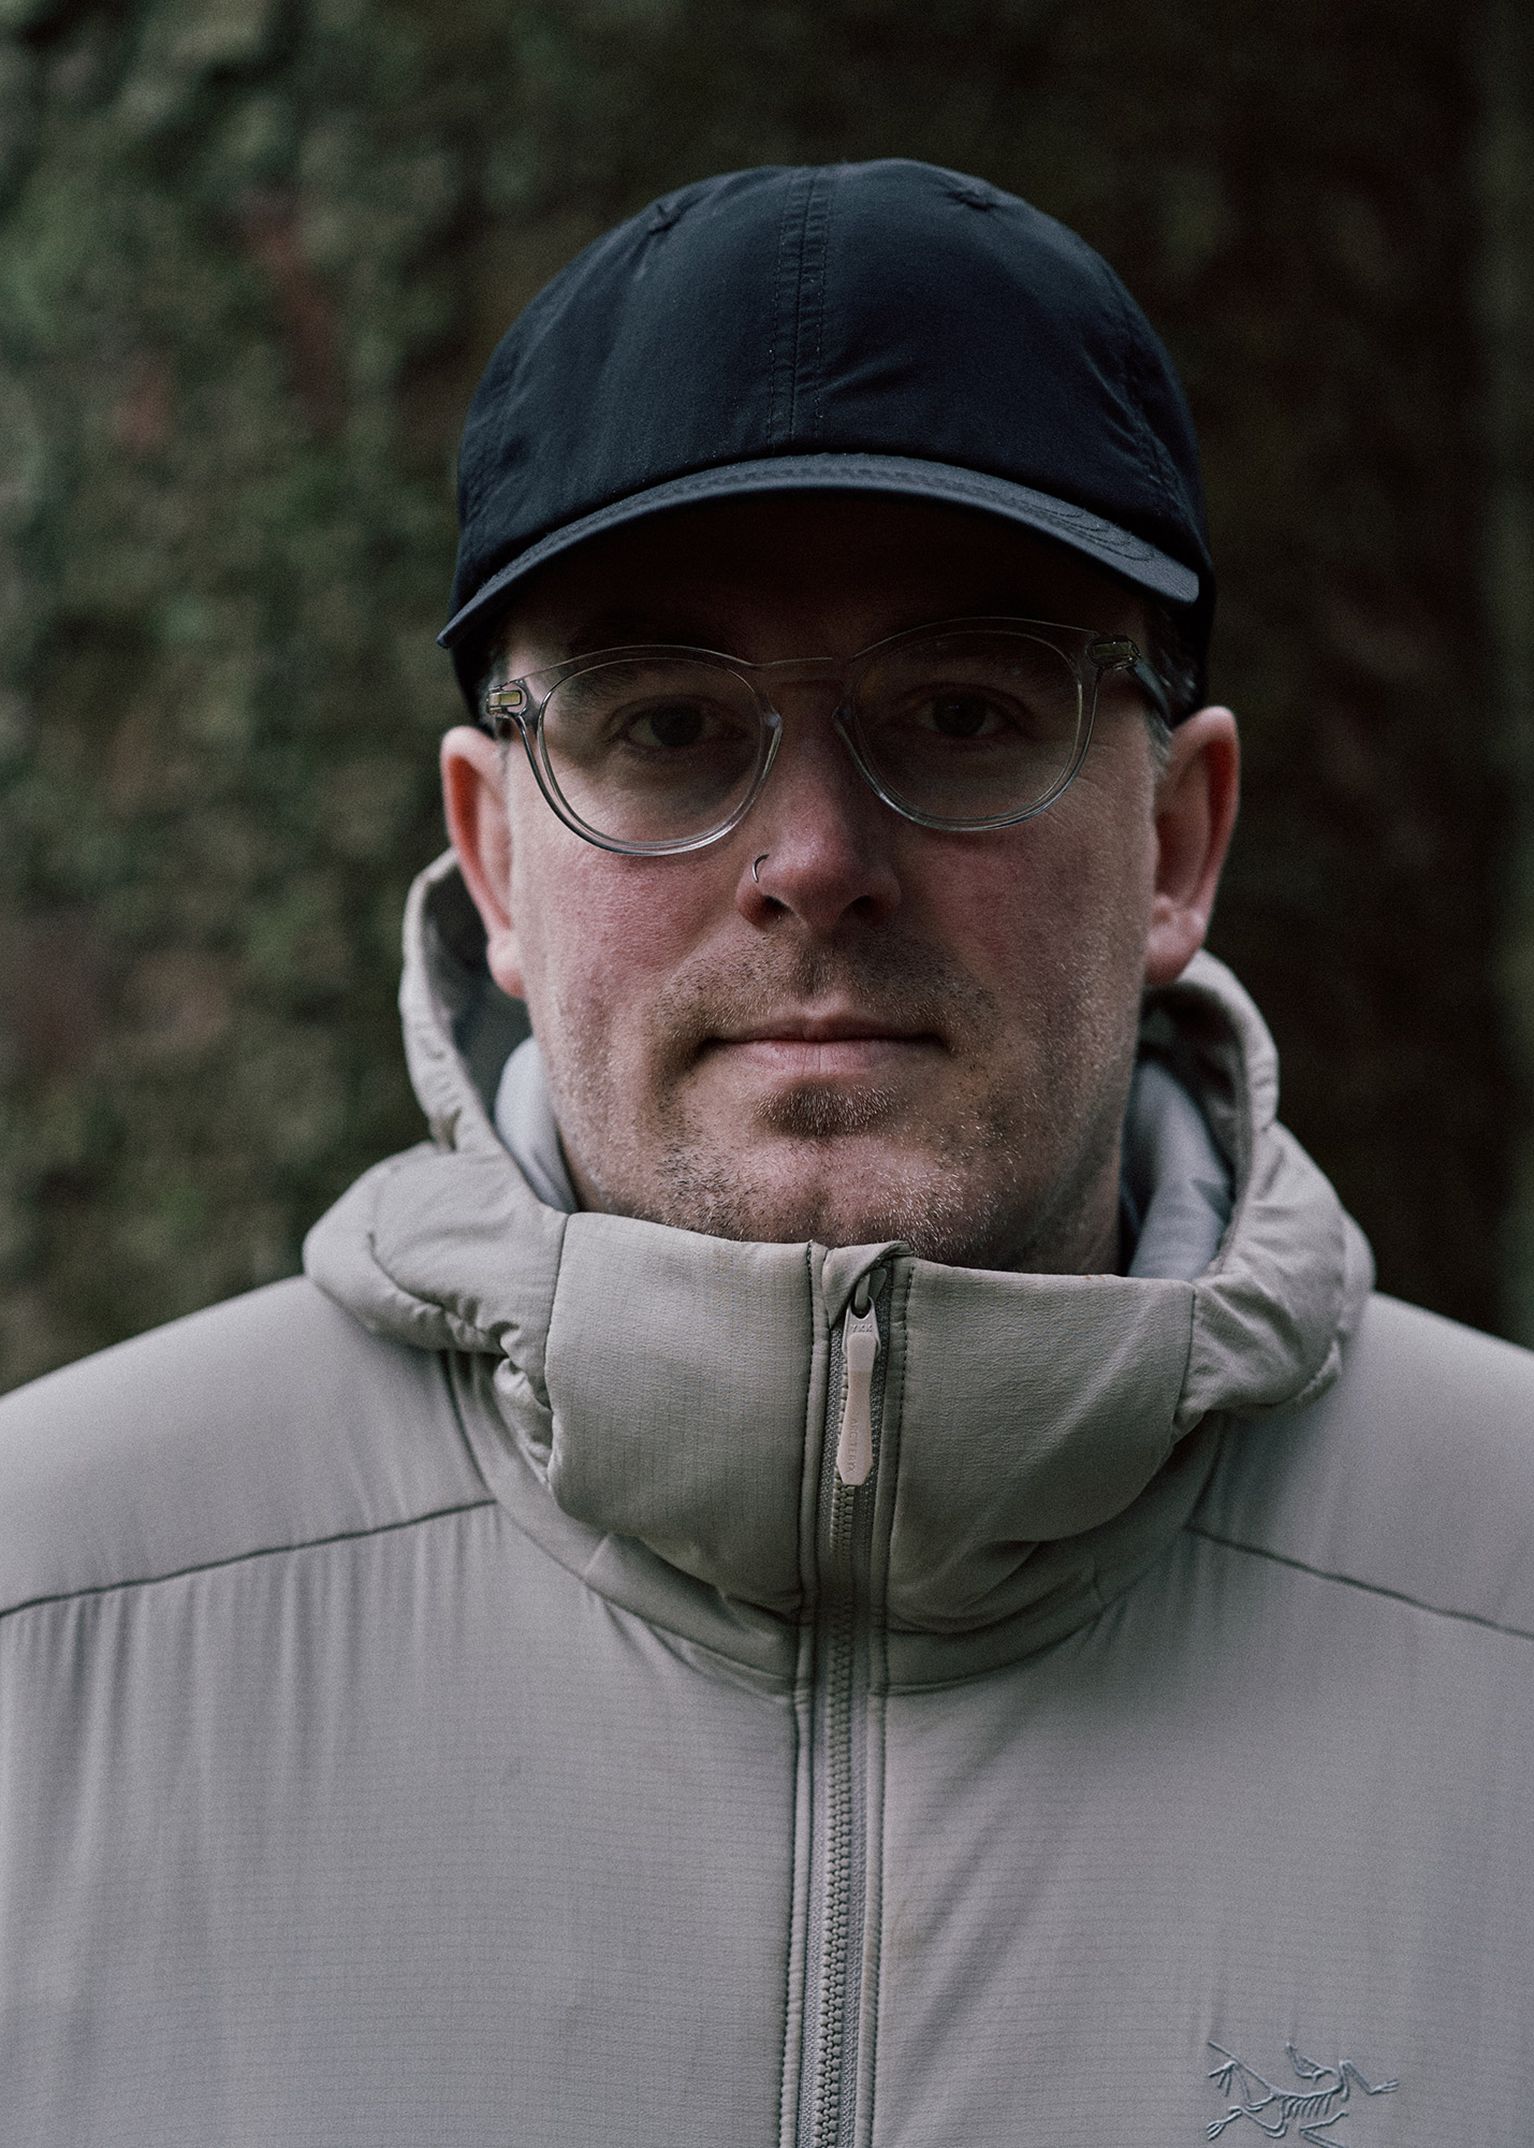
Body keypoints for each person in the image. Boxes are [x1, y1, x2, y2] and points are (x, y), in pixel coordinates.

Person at [1, 158, 1531, 2147]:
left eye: (965, 709)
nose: (815, 862)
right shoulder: (47, 1626)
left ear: (1172, 841)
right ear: (493, 862)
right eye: (664, 729)